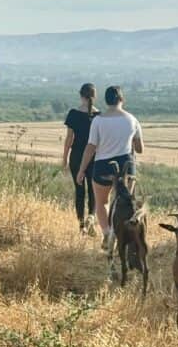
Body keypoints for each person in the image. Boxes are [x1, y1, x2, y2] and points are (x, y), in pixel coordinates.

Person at [76, 85, 144, 248]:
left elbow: (91, 147)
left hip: (103, 166)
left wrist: (81, 170)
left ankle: (107, 233)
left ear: (106, 101)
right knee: (124, 203)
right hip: (126, 166)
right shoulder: (132, 120)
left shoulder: (98, 121)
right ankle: (124, 235)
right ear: (122, 99)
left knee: (101, 203)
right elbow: (140, 149)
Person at [62, 83, 99, 232]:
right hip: (94, 157)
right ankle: (91, 217)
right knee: (93, 191)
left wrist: (64, 158)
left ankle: (81, 225)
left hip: (77, 156)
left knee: (79, 191)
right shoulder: (99, 116)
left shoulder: (73, 114)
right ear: (94, 96)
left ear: (81, 95)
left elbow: (69, 139)